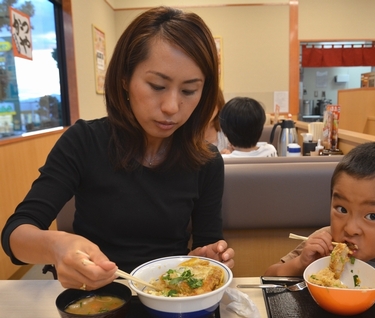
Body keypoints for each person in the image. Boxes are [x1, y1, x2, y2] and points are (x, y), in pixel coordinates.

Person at [1, 6, 234, 291]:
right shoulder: (84, 141)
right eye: (157, 85)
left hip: (170, 298)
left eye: (188, 91)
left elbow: (205, 245)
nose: (172, 107)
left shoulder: (206, 161)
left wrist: (205, 257)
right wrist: (57, 245)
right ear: (125, 79)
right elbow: (15, 233)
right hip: (95, 296)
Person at [265, 142, 375, 276]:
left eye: (372, 216)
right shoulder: (323, 243)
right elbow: (269, 276)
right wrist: (301, 263)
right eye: (342, 209)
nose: (350, 229)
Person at [204, 89, 231, 154]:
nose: (204, 110)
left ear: (219, 105)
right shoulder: (184, 132)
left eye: (210, 105)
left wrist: (230, 155)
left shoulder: (228, 130)